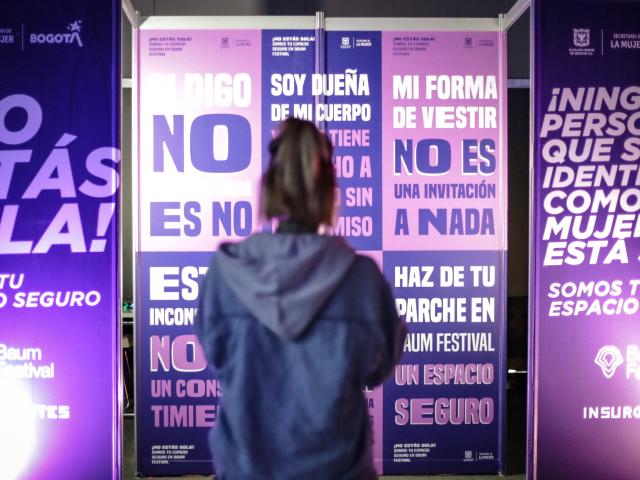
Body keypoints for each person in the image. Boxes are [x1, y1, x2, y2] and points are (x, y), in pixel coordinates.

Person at [195, 117, 405, 480]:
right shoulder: (362, 280)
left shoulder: (225, 273)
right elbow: (378, 368)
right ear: (330, 192)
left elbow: (218, 357)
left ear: (270, 187)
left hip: (246, 467)